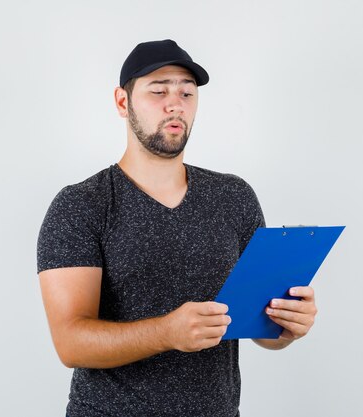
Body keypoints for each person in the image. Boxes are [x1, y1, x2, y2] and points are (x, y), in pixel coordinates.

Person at [37, 39, 318, 417]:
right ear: (123, 102)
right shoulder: (81, 205)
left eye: (187, 92)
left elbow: (259, 328)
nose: (175, 103)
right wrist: (167, 333)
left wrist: (286, 326)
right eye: (159, 91)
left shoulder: (234, 196)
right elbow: (70, 343)